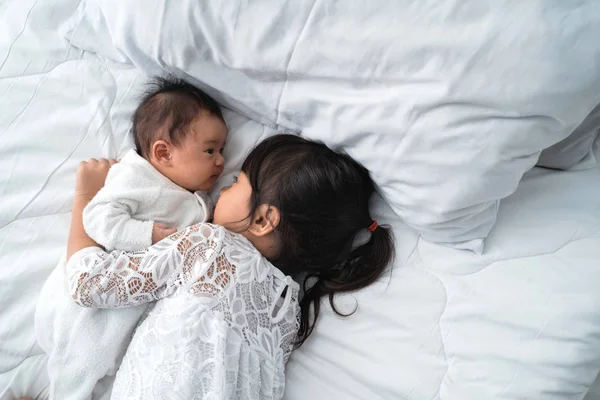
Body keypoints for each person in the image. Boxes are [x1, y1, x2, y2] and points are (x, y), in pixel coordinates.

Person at [64, 134, 394, 399]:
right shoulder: (287, 312)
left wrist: (87, 194)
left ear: (264, 219)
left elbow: (87, 284)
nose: (222, 188)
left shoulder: (212, 245)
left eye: (237, 182)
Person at [35, 77, 227, 400]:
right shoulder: (135, 176)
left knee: (110, 375)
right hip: (89, 306)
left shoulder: (194, 199)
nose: (221, 160)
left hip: (127, 307)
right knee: (80, 368)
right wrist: (146, 234)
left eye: (223, 151)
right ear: (163, 153)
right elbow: (97, 217)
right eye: (210, 150)